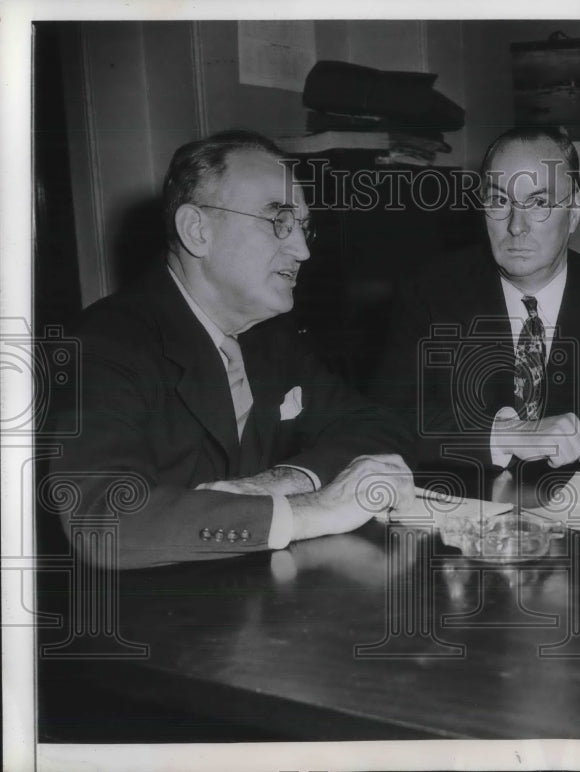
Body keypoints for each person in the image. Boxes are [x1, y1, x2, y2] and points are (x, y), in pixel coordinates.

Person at [50, 130, 415, 568]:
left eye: (302, 226)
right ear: (197, 231)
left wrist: (283, 481)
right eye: (278, 220)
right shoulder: (103, 344)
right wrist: (313, 509)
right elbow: (103, 520)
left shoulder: (269, 337)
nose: (301, 249)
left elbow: (378, 425)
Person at [371, 126, 580, 474]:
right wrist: (504, 435)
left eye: (539, 203)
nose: (517, 225)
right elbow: (384, 423)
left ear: (574, 211)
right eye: (500, 201)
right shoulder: (428, 296)